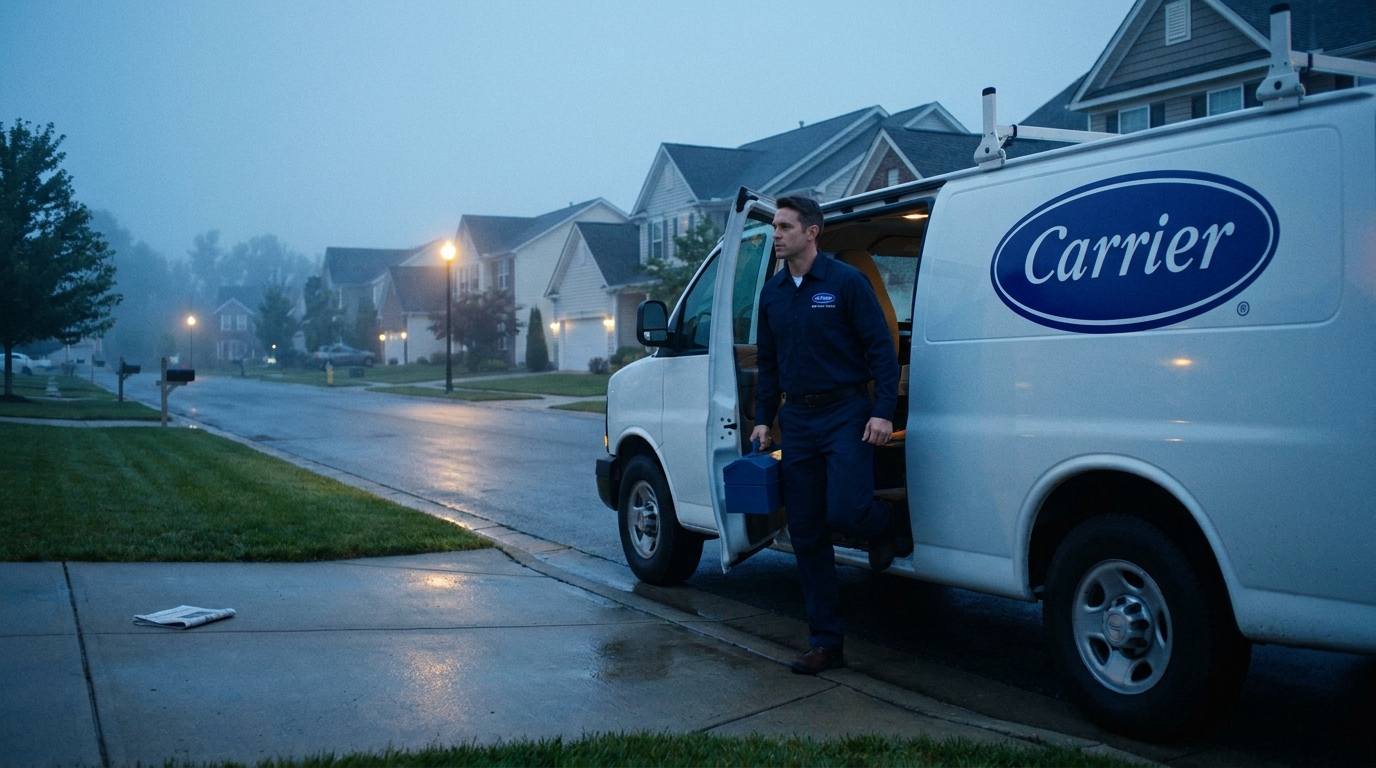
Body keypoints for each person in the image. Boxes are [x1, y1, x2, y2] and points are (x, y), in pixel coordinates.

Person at [749, 195, 907, 675]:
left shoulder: (845, 283)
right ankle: (825, 642)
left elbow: (881, 350)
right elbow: (769, 363)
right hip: (797, 420)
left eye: (784, 227)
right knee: (807, 532)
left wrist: (882, 411)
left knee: (847, 509)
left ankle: (886, 526)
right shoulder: (774, 294)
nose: (775, 234)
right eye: (774, 226)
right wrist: (762, 418)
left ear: (811, 233)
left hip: (845, 413)